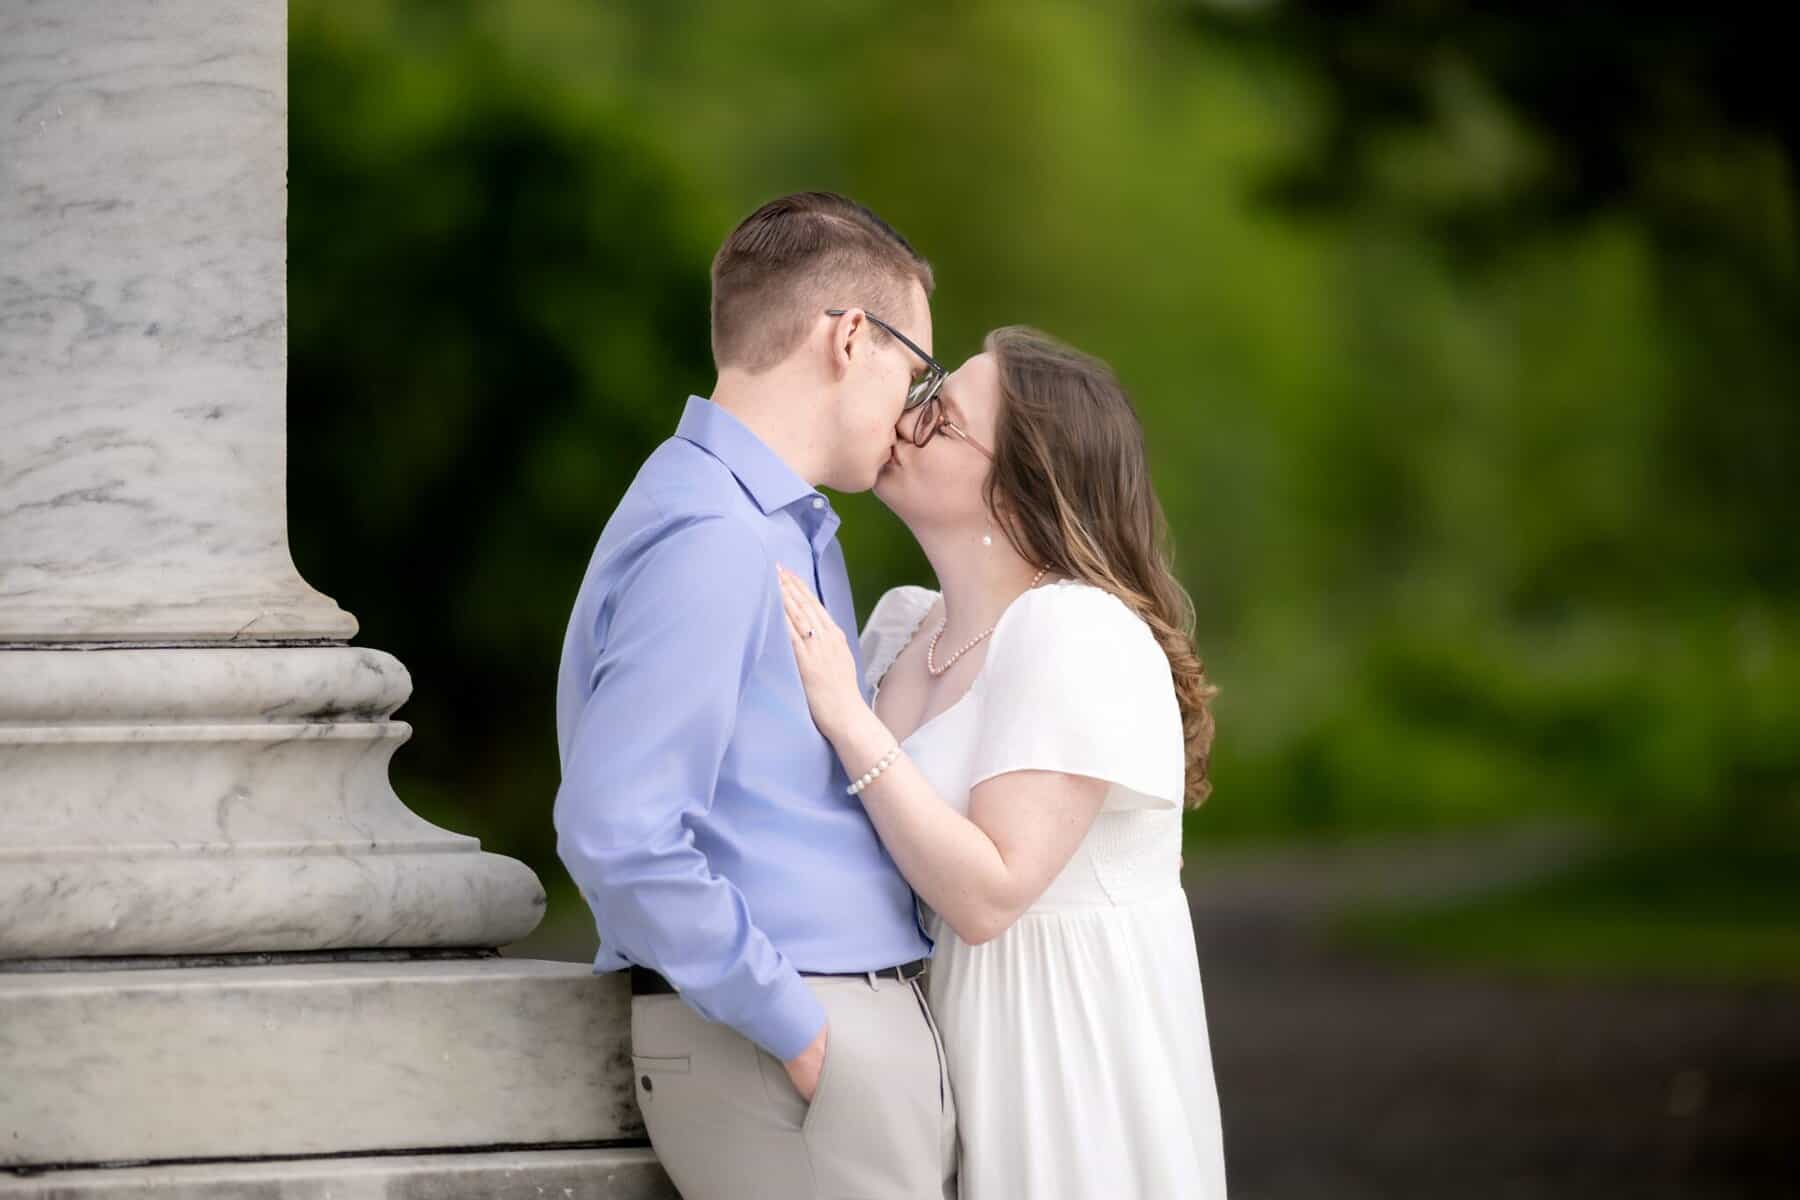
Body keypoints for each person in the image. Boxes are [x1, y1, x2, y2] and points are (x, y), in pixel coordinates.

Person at [553, 192, 957, 1200]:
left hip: (810, 1039)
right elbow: (618, 832)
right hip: (781, 1045)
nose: (914, 406)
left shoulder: (760, 522)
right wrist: (804, 1034)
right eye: (915, 369)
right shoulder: (714, 534)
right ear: (851, 337)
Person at [778, 326, 1229, 1199]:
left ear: (1023, 495)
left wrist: (843, 717)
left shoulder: (1077, 630)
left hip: (1064, 1066)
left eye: (940, 417)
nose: (905, 420)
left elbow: (989, 893)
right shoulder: (903, 629)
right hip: (938, 1049)